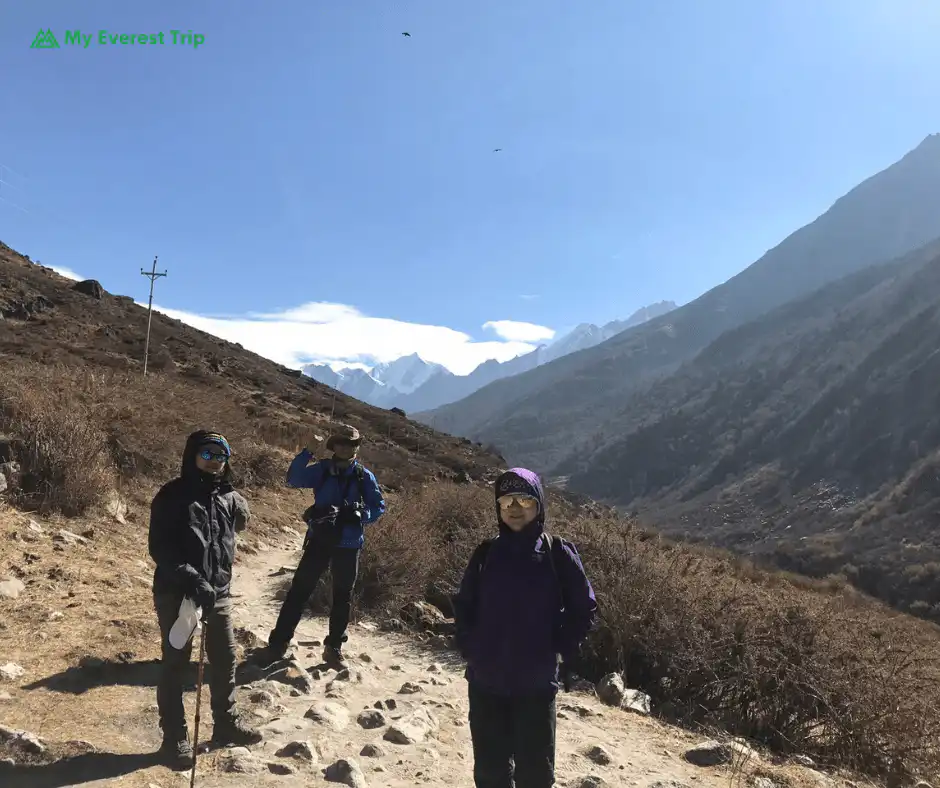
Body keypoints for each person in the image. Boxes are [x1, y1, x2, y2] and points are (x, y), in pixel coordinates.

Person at [454, 467, 597, 788]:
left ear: (539, 504)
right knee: (490, 769)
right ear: (497, 508)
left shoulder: (557, 552)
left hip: (535, 683)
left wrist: (561, 646)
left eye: (524, 499)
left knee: (535, 770)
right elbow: (464, 604)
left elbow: (583, 606)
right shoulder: (485, 553)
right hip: (486, 680)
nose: (514, 508)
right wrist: (469, 647)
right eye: (506, 502)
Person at [148, 430, 262, 769]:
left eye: (221, 455)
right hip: (177, 592)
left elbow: (235, 530)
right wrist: (194, 579)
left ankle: (225, 724)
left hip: (218, 593)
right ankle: (174, 738)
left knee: (225, 658)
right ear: (192, 454)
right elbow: (160, 549)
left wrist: (238, 501)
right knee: (176, 662)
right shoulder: (171, 495)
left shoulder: (228, 496)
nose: (214, 461)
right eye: (207, 453)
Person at [263, 424, 386, 665]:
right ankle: (278, 643)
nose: (345, 447)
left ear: (356, 448)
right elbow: (294, 479)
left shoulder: (364, 476)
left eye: (351, 444)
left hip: (348, 544)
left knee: (342, 596)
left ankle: (334, 647)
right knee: (299, 592)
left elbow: (378, 505)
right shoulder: (322, 469)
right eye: (341, 442)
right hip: (321, 540)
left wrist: (363, 515)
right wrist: (308, 451)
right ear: (333, 446)